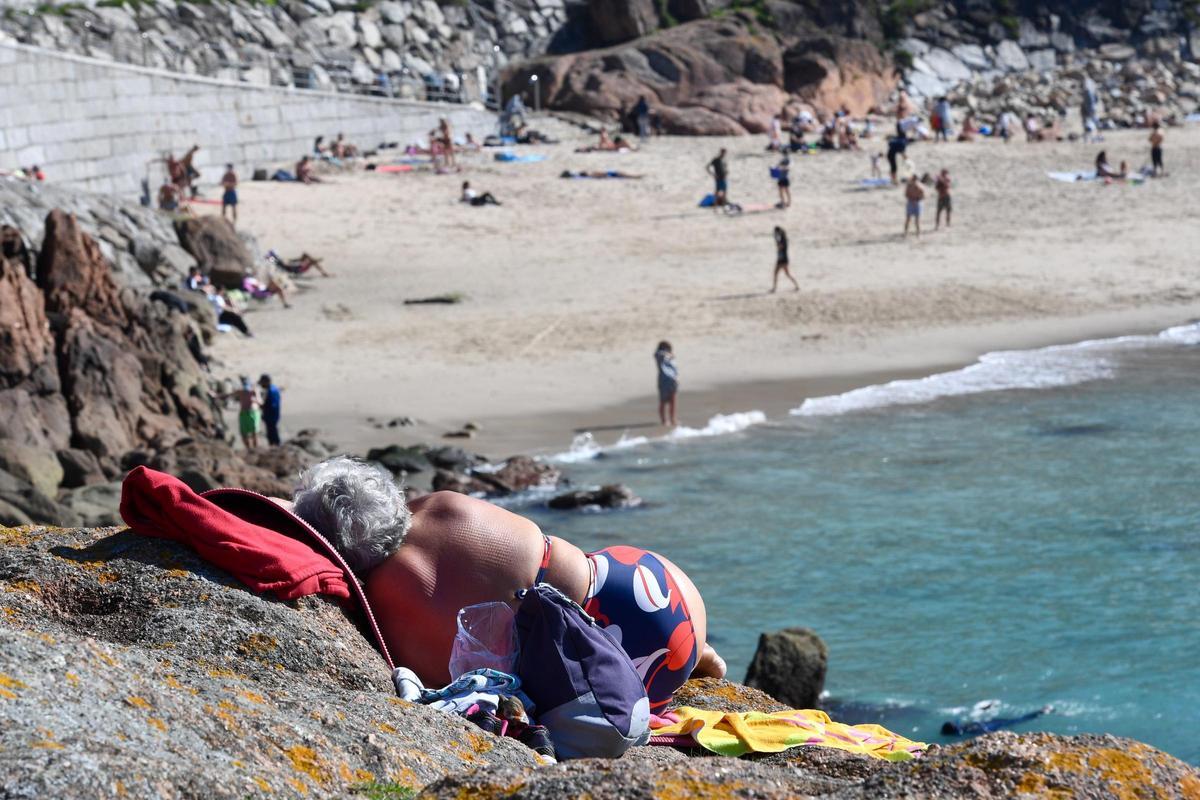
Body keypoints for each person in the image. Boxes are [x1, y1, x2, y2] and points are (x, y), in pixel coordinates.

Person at [289, 456, 727, 707]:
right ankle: (696, 650)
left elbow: (452, 672)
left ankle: (686, 660)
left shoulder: (389, 597)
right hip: (648, 578)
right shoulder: (440, 506)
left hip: (617, 656)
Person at [942, 706, 1053, 737]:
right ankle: (1041, 711)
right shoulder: (963, 725)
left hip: (992, 725)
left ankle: (1041, 712)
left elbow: (983, 732)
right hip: (990, 721)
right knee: (1016, 719)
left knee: (1018, 720)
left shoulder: (966, 731)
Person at [655, 340, 678, 427]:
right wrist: (667, 354)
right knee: (663, 401)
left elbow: (674, 369)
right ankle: (664, 420)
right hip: (663, 381)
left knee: (673, 401)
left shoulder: (671, 357)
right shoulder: (659, 355)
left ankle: (673, 419)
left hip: (672, 380)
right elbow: (658, 354)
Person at [234, 377, 261, 451]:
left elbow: (260, 402)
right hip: (244, 413)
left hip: (253, 413)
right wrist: (216, 396)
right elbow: (227, 395)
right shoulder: (240, 391)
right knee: (244, 433)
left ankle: (255, 449)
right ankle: (249, 449)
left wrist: (254, 400)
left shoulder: (253, 391)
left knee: (254, 433)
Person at [771, 226, 799, 293]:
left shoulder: (783, 240)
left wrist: (777, 241)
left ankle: (774, 288)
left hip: (782, 259)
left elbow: (780, 247)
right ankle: (796, 286)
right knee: (786, 274)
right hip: (782, 259)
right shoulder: (783, 239)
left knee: (777, 273)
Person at [259, 374, 282, 447]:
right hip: (273, 415)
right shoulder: (273, 389)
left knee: (272, 433)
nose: (261, 385)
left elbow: (272, 405)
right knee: (272, 431)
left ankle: (275, 446)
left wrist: (263, 406)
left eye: (262, 383)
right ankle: (275, 445)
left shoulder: (272, 391)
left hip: (271, 415)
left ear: (266, 382)